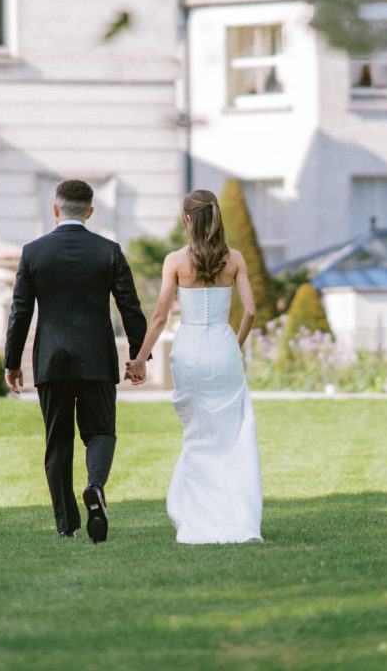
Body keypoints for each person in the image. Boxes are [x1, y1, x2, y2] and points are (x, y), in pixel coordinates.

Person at [4, 179, 147, 542]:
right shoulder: (108, 251)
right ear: (90, 211)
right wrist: (139, 356)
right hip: (97, 359)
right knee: (101, 431)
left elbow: (20, 311)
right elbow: (130, 306)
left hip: (51, 361)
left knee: (58, 442)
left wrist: (12, 361)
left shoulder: (33, 252)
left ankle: (66, 526)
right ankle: (95, 486)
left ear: (56, 209)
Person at [127, 189, 263, 544]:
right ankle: (238, 515)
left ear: (187, 218)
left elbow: (159, 317)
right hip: (223, 346)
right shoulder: (235, 259)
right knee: (231, 433)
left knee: (197, 433)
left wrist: (140, 359)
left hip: (189, 351)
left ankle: (198, 515)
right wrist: (235, 344)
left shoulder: (174, 261)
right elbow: (250, 311)